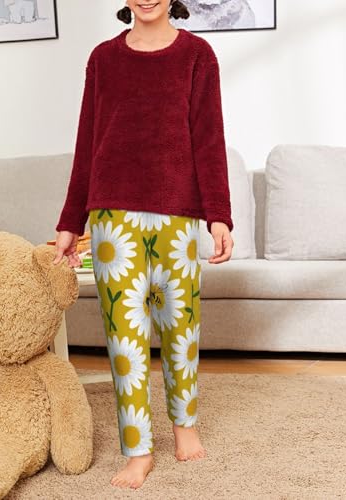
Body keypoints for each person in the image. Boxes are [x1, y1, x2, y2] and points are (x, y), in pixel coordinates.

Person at [52, 0, 234, 490]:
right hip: (111, 216)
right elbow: (87, 142)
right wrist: (70, 221)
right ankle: (137, 450)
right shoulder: (103, 58)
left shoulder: (197, 55)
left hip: (178, 213)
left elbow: (209, 137)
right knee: (124, 338)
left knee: (181, 326)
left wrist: (218, 214)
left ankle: (184, 426)